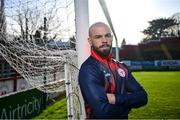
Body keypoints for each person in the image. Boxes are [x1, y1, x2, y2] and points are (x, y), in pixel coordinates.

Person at [78, 22, 148, 119]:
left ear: (111, 38)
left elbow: (143, 97)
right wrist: (129, 105)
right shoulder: (89, 68)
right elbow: (103, 113)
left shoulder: (121, 67)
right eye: (98, 37)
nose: (104, 40)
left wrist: (115, 99)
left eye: (107, 35)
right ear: (90, 41)